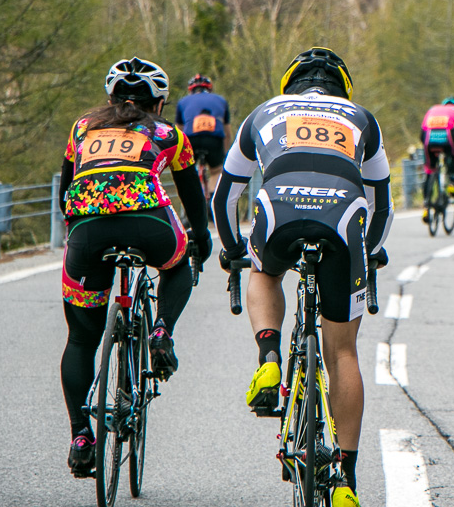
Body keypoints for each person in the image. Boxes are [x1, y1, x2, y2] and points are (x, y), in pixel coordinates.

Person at [213, 47, 391, 501]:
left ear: (289, 86)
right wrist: (366, 255)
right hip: (341, 218)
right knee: (343, 353)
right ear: (343, 88)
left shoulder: (265, 112)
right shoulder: (361, 118)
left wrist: (235, 250)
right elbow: (382, 204)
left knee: (265, 273)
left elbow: (224, 196)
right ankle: (346, 481)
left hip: (279, 211)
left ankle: (270, 359)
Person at [58, 57, 211, 478]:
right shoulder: (168, 133)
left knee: (80, 340)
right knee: (178, 266)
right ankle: (161, 331)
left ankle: (81, 438)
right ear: (159, 102)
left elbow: (64, 190)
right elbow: (193, 198)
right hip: (148, 223)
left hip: (87, 232)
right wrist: (201, 238)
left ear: (110, 98)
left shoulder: (82, 127)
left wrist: (81, 231)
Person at [175, 73, 231, 198]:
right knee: (216, 171)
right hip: (214, 139)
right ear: (209, 89)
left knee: (187, 172)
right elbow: (227, 131)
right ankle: (211, 202)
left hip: (191, 139)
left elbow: (178, 130)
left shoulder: (183, 102)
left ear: (191, 90)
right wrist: (225, 154)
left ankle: (192, 200)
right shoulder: (221, 100)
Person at [419, 97, 454, 222]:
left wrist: (432, 153)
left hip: (429, 140)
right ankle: (451, 182)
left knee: (429, 171)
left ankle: (426, 206)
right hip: (447, 138)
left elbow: (422, 135)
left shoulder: (432, 109)